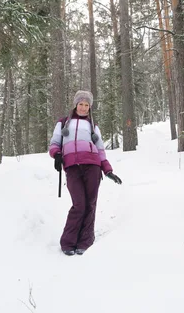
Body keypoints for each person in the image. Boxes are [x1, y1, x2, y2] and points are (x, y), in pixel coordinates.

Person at [49, 90, 122, 256]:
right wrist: (57, 155)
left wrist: (108, 170)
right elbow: (54, 143)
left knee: (90, 204)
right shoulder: (63, 123)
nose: (83, 108)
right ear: (75, 104)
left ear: (90, 107)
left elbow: (100, 149)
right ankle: (68, 242)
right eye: (80, 104)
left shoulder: (93, 126)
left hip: (93, 166)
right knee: (79, 204)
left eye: (86, 105)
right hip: (72, 166)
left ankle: (85, 241)